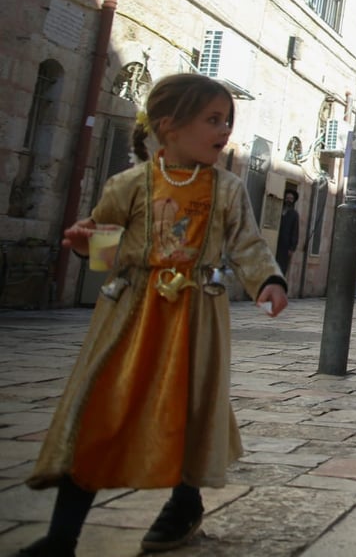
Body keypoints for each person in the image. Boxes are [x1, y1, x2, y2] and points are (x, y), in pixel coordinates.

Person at [21, 73, 289, 557]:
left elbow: (247, 243)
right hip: (130, 317)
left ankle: (183, 505)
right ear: (169, 127)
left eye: (227, 120)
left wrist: (267, 281)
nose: (225, 129)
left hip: (195, 320)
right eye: (212, 119)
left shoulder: (227, 189)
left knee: (190, 409)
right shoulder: (129, 183)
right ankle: (61, 537)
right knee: (101, 410)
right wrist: (88, 247)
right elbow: (107, 252)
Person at [275, 189, 300, 275]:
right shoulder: (279, 210)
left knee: (281, 268)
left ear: (293, 201)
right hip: (275, 242)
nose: (288, 200)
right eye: (287, 198)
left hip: (285, 247)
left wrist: (292, 248)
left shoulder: (294, 214)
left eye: (291, 198)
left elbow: (295, 232)